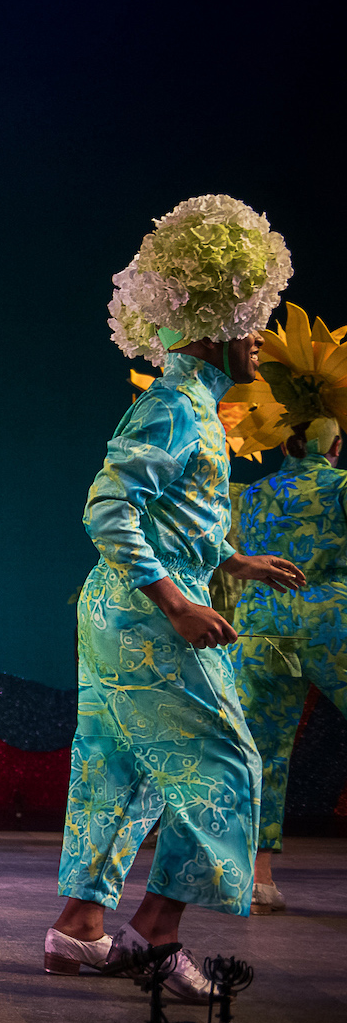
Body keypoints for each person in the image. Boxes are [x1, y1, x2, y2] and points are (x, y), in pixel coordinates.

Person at [45, 195, 304, 1003]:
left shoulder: (191, 404)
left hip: (124, 610)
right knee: (230, 762)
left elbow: (167, 511)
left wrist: (231, 559)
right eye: (252, 313)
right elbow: (106, 508)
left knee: (123, 769)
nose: (262, 329)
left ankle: (77, 930)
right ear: (213, 317)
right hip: (145, 615)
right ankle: (154, 935)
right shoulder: (171, 405)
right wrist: (177, 603)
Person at [222, 304, 346, 915]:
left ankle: (258, 877)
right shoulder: (340, 488)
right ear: (333, 443)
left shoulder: (254, 493)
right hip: (330, 619)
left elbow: (228, 555)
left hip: (261, 627)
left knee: (261, 749)